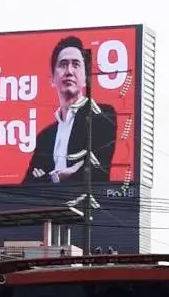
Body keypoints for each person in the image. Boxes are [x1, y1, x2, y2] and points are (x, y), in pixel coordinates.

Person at [24, 36, 119, 186]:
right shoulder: (45, 136)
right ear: (52, 79)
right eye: (63, 65)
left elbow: (96, 172)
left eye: (76, 64)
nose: (69, 71)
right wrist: (60, 176)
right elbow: (28, 186)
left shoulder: (101, 115)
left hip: (88, 207)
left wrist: (47, 178)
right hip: (49, 208)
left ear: (85, 77)